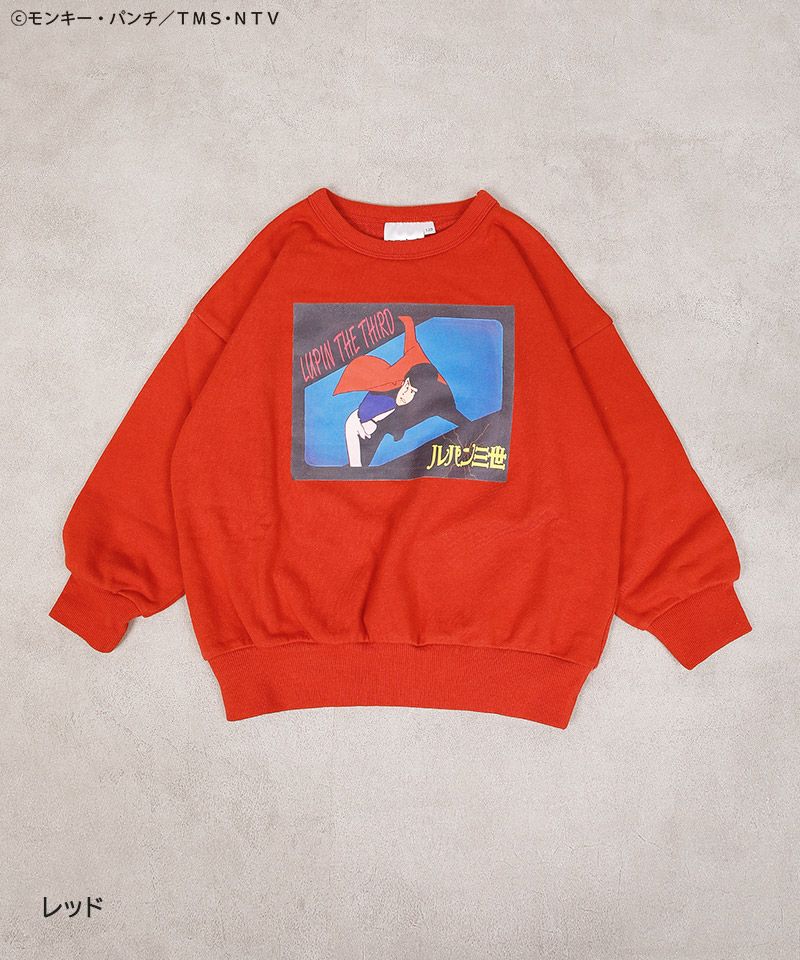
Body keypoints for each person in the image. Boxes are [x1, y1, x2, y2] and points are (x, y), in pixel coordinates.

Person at [335, 316, 468, 467]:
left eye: (412, 392)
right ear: (404, 381)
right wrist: (407, 321)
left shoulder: (440, 400)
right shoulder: (389, 391)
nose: (405, 394)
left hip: (428, 407)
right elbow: (411, 342)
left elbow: (456, 416)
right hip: (377, 419)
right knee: (377, 429)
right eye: (406, 387)